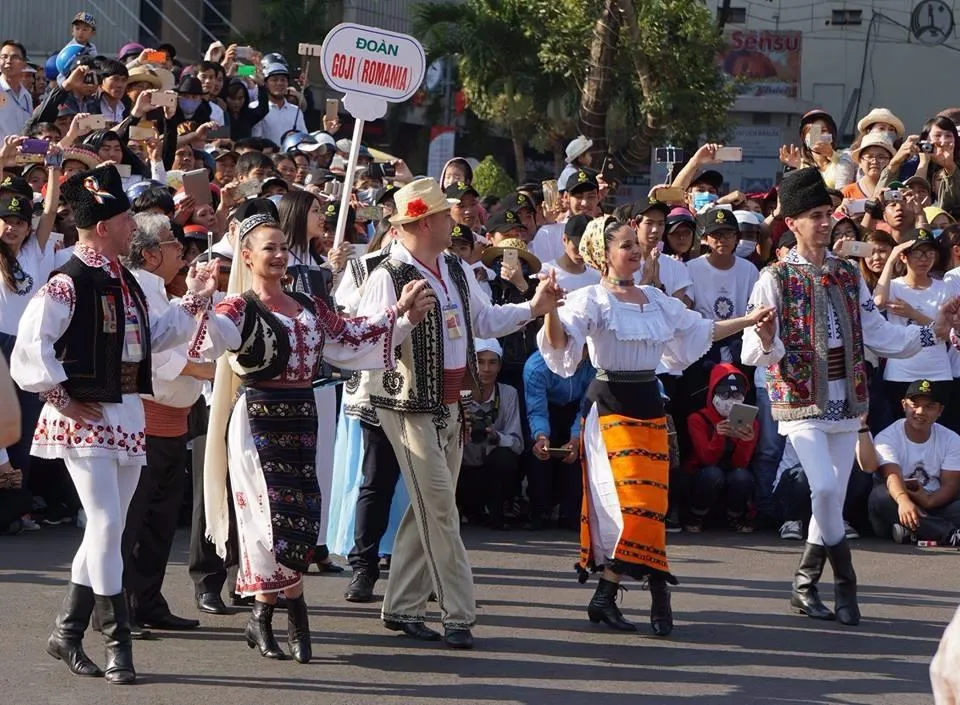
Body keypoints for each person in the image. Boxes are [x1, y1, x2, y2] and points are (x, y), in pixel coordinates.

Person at [10, 165, 222, 685]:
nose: (134, 227)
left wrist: (193, 296)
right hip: (86, 418)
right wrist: (59, 394)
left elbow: (157, 335)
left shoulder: (124, 279)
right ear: (102, 226)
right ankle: (117, 643)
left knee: (109, 530)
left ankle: (66, 632)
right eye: (127, 219)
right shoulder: (67, 282)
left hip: (124, 411)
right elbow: (28, 348)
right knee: (107, 525)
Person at [200, 214, 434, 663]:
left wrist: (399, 315)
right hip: (258, 423)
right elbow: (214, 342)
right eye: (268, 248)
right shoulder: (237, 308)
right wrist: (201, 301)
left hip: (303, 418)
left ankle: (263, 618)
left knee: (302, 518)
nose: (279, 255)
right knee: (269, 524)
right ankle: (295, 614)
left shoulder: (308, 304)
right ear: (246, 257)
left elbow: (351, 336)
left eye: (283, 246)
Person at [742, 167, 960, 628]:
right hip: (801, 400)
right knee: (822, 486)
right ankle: (846, 582)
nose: (825, 223)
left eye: (828, 214)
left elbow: (877, 333)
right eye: (816, 215)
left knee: (833, 496)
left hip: (848, 398)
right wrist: (765, 339)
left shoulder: (846, 274)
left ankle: (805, 586)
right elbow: (752, 353)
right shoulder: (773, 278)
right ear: (793, 222)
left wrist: (931, 332)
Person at [540, 214, 774, 636]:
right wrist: (549, 311)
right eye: (626, 244)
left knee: (653, 507)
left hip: (650, 407)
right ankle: (656, 591)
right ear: (603, 254)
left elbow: (703, 328)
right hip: (610, 408)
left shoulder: (656, 298)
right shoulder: (590, 299)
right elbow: (560, 347)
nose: (636, 250)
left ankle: (610, 594)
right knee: (634, 508)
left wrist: (749, 318)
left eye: (636, 243)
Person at [356, 178, 563, 649]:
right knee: (442, 510)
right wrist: (401, 319)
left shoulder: (453, 266)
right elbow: (366, 340)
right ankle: (458, 611)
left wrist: (533, 307)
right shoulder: (386, 275)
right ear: (425, 221)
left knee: (430, 508)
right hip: (406, 405)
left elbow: (484, 320)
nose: (458, 219)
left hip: (450, 403)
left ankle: (404, 605)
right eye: (447, 214)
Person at [121, 213, 206, 632]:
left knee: (160, 519)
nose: (182, 251)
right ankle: (122, 606)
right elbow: (159, 357)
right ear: (152, 254)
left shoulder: (164, 293)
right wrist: (205, 370)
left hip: (175, 421)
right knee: (134, 520)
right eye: (174, 243)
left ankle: (148, 601)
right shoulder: (135, 290)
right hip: (146, 420)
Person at [862, 380, 960, 547]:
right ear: (903, 405)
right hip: (897, 505)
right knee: (880, 497)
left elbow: (951, 484)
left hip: (934, 503)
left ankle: (914, 534)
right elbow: (891, 474)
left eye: (929, 406)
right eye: (914, 404)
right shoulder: (887, 437)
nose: (920, 412)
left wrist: (929, 501)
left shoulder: (952, 439)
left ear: (940, 411)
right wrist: (904, 501)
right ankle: (947, 534)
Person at [524, 347, 595, 530]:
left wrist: (575, 438)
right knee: (539, 453)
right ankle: (540, 510)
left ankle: (571, 511)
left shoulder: (595, 364)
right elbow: (536, 410)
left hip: (576, 408)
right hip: (547, 406)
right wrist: (541, 436)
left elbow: (586, 408)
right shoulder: (535, 366)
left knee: (577, 454)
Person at [682, 363, 758, 533]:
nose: (730, 399)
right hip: (702, 474)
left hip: (731, 472)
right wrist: (718, 435)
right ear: (713, 393)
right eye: (724, 394)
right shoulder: (698, 418)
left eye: (737, 394)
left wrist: (746, 440)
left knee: (742, 477)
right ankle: (696, 514)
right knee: (712, 474)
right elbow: (707, 459)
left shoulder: (750, 422)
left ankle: (735, 515)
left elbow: (741, 465)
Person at [457, 338, 524, 529]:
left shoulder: (508, 393)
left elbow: (517, 444)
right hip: (460, 468)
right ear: (471, 363)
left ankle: (497, 513)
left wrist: (496, 437)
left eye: (492, 362)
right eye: (480, 361)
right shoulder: (456, 393)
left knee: (505, 457)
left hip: (489, 471)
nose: (486, 369)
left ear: (500, 365)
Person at [539, 214, 599, 292]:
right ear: (565, 239)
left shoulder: (597, 277)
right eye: (578, 246)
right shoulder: (545, 273)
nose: (582, 253)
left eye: (589, 248)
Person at [251, 63, 306, 147]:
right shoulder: (255, 107)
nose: (279, 83)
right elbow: (255, 139)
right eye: (274, 80)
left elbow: (304, 138)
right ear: (266, 83)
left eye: (283, 80)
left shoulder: (296, 111)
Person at [0, 41, 33, 140]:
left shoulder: (26, 96)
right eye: (4, 57)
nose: (8, 61)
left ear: (24, 64)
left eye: (14, 57)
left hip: (21, 153)